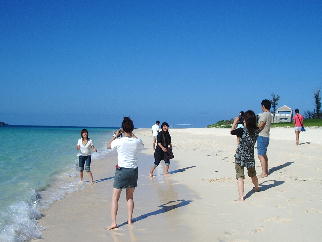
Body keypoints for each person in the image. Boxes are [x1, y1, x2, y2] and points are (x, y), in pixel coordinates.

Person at [106, 117, 144, 230]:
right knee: (130, 197)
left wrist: (116, 135)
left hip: (122, 171)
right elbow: (141, 143)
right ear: (132, 129)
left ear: (122, 128)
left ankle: (114, 223)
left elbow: (108, 146)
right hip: (133, 171)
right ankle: (129, 220)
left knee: (115, 198)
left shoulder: (119, 141)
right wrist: (132, 133)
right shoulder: (136, 141)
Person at [231, 110, 260, 201]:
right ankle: (256, 187)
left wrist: (235, 121)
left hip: (240, 157)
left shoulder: (241, 131)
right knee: (253, 174)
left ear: (245, 121)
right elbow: (256, 126)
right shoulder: (256, 131)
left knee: (240, 177)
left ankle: (241, 197)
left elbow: (232, 131)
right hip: (250, 157)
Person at [257, 99, 272, 178]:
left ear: (263, 106)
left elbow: (261, 125)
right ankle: (266, 170)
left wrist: (255, 130)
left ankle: (264, 173)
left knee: (260, 155)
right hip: (266, 136)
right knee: (264, 155)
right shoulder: (269, 114)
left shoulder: (264, 114)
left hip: (262, 136)